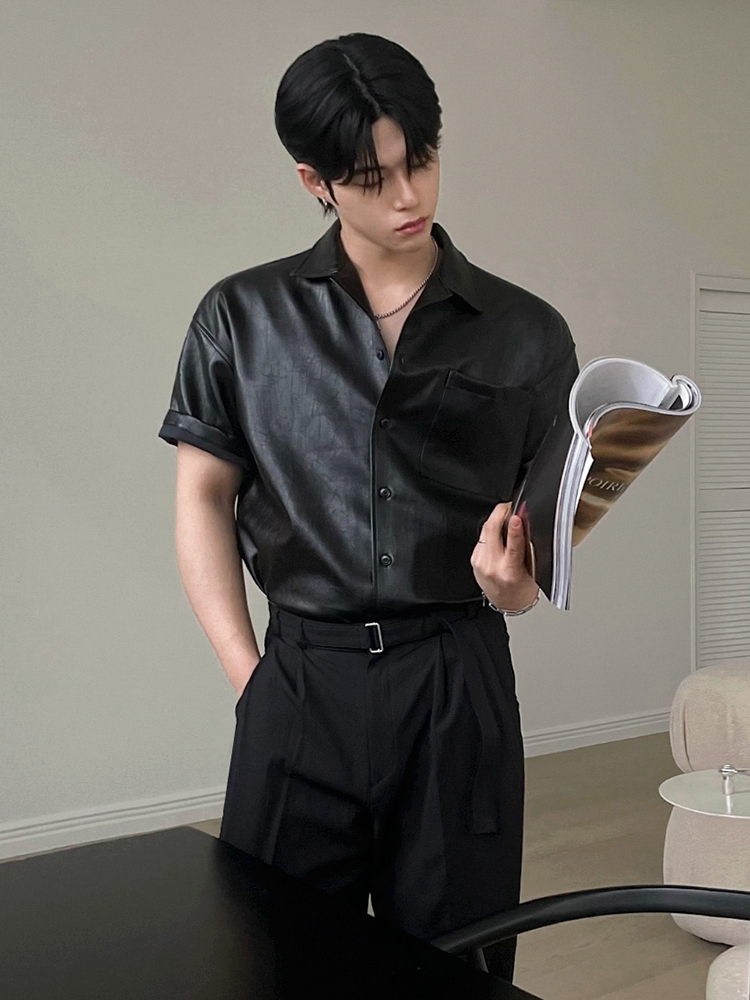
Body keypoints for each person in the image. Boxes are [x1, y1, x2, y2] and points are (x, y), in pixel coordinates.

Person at [157, 32, 579, 983]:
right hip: (302, 679)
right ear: (314, 181)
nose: (408, 196)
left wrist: (514, 589)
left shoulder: (528, 333)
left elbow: (537, 553)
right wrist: (252, 679)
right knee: (274, 961)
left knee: (460, 964)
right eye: (372, 177)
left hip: (456, 679)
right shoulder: (240, 318)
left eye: (420, 160)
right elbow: (202, 499)